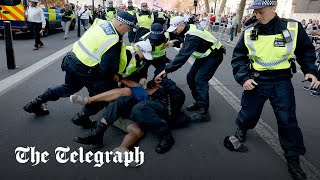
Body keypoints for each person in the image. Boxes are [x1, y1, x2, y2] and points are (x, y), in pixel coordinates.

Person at [223, 0, 320, 180]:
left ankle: (293, 158)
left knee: (287, 120)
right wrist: (244, 78)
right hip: (257, 81)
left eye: (261, 11)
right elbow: (238, 58)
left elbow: (306, 51)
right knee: (249, 112)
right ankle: (242, 128)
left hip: (282, 82)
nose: (257, 15)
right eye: (255, 11)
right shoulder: (250, 31)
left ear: (273, 8)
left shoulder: (293, 27)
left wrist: (310, 71)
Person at [23, 11, 136, 129]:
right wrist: (114, 80)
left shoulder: (101, 23)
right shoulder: (114, 41)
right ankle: (83, 117)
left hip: (71, 59)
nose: (127, 32)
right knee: (104, 93)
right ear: (121, 25)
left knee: (68, 87)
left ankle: (36, 102)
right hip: (85, 68)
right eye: (127, 29)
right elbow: (106, 70)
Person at [72, 77, 185, 154]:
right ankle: (98, 133)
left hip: (153, 111)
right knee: (125, 98)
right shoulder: (146, 90)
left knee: (138, 110)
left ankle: (167, 136)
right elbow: (135, 88)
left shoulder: (169, 93)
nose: (157, 83)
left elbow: (180, 96)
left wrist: (166, 82)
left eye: (159, 83)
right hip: (135, 111)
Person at [155, 16, 225, 122]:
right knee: (190, 77)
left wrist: (166, 70)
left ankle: (204, 112)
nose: (174, 32)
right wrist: (173, 43)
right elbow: (183, 40)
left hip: (214, 56)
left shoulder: (193, 35)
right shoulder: (188, 29)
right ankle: (199, 102)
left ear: (182, 25)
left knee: (200, 80)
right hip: (204, 56)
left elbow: (182, 56)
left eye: (175, 29)